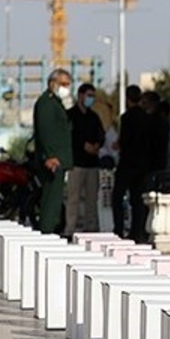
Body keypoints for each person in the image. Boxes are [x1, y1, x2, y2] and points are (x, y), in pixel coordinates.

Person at [32, 69, 74, 235]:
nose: (66, 88)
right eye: (63, 84)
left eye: (68, 85)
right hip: (53, 160)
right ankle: (47, 231)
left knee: (55, 199)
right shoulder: (47, 104)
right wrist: (50, 156)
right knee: (51, 199)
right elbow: (45, 131)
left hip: (58, 159)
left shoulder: (55, 103)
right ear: (52, 83)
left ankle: (51, 230)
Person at [64, 83, 104, 236]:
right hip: (76, 163)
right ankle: (70, 228)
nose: (91, 99)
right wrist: (83, 145)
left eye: (93, 96)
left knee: (91, 199)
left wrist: (96, 145)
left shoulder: (94, 117)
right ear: (80, 95)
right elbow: (69, 136)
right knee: (73, 198)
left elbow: (101, 135)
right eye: (89, 95)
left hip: (92, 164)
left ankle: (91, 228)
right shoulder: (70, 115)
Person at [112, 86, 151, 242]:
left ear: (127, 99)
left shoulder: (127, 118)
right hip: (142, 164)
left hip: (128, 162)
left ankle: (119, 229)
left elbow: (125, 140)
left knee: (117, 196)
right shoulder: (146, 118)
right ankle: (138, 232)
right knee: (137, 200)